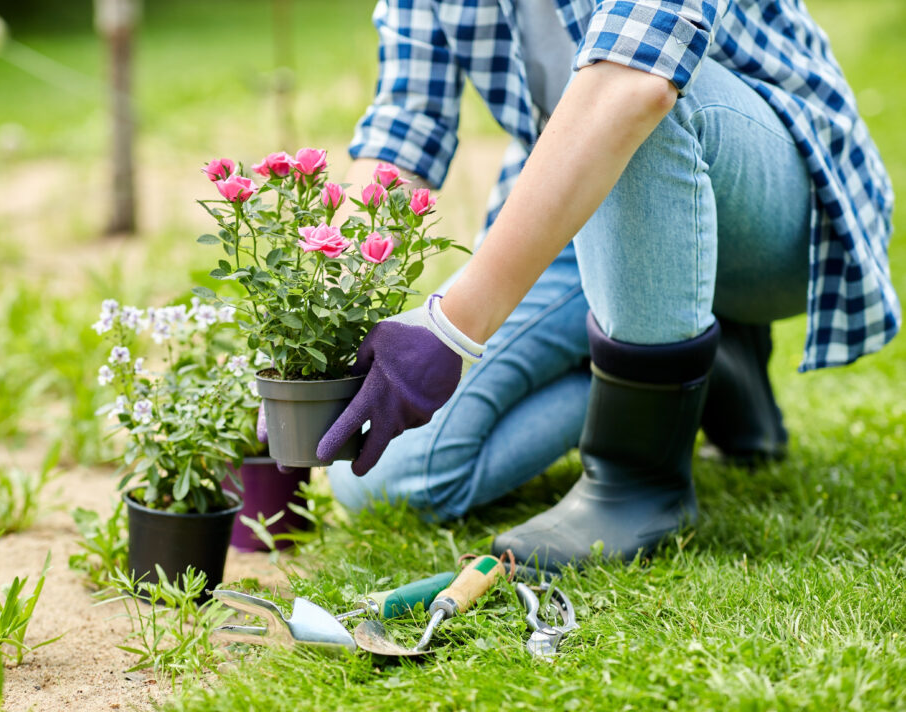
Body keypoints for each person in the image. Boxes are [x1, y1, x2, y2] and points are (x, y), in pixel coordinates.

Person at [317, 0, 897, 580]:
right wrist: (322, 328)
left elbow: (634, 83)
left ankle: (637, 482)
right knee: (388, 475)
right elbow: (403, 131)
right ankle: (696, 360)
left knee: (639, 85)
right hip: (599, 214)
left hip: (775, 201)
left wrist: (451, 329)